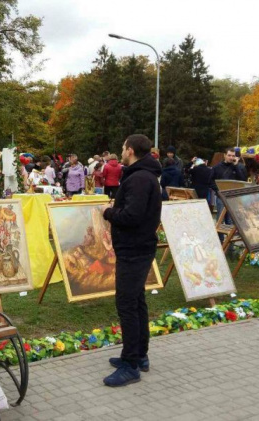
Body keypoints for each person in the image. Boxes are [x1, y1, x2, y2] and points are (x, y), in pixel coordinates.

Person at [102, 134, 162, 387]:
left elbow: (132, 215)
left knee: (127, 304)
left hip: (134, 249)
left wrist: (108, 212)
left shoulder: (139, 178)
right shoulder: (144, 175)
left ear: (130, 150)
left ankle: (131, 365)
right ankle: (140, 354)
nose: (121, 150)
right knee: (136, 301)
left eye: (123, 147)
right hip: (138, 247)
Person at [213, 148, 246, 224]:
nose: (231, 158)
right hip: (221, 196)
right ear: (225, 155)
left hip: (232, 197)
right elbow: (211, 181)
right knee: (220, 219)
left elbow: (242, 180)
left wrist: (236, 166)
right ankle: (220, 236)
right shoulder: (217, 167)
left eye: (233, 156)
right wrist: (218, 190)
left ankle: (229, 236)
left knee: (231, 220)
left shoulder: (238, 167)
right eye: (229, 155)